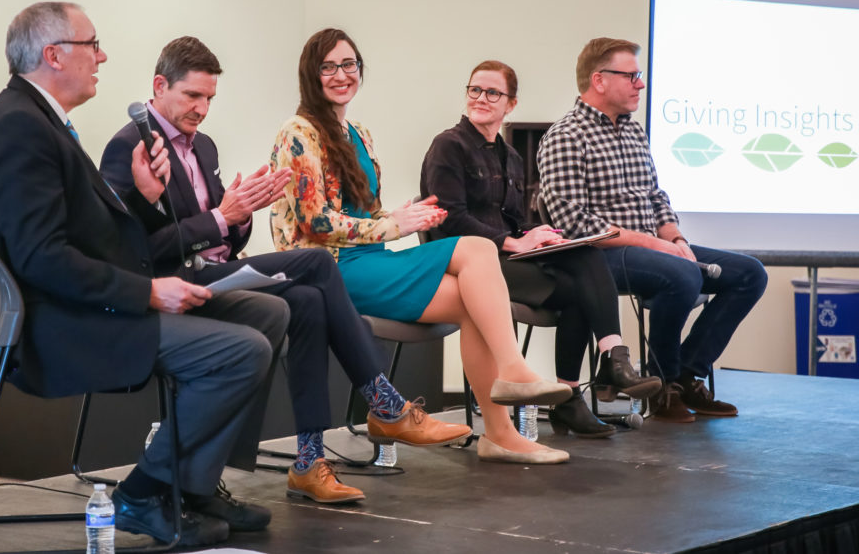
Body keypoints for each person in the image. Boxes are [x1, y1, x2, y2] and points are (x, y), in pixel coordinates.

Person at [0, 2, 283, 547]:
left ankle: (193, 485)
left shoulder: (39, 121)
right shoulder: (17, 128)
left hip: (85, 305)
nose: (102, 56)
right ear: (54, 54)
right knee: (242, 351)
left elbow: (99, 238)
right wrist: (149, 292)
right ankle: (142, 493)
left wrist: (150, 200)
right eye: (93, 45)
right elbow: (42, 258)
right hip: (59, 324)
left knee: (266, 311)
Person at [101, 36, 472, 504]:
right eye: (192, 96)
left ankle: (309, 461)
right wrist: (220, 217)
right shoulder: (128, 147)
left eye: (210, 98)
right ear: (159, 86)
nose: (202, 109)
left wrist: (237, 218)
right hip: (174, 285)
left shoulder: (204, 147)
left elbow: (220, 236)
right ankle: (384, 401)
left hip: (218, 272)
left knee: (309, 301)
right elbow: (134, 253)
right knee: (315, 261)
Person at [270, 28, 573, 465]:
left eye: (349, 65)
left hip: (369, 259)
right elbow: (314, 222)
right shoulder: (297, 132)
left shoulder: (359, 132)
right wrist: (394, 226)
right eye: (329, 66)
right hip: (329, 267)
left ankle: (501, 434)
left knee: (476, 294)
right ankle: (512, 374)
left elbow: (364, 214)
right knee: (477, 253)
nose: (341, 74)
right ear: (310, 74)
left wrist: (402, 216)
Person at [420, 60, 662, 438]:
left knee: (585, 253)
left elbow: (515, 220)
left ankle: (600, 367)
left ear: (510, 104)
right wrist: (511, 240)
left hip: (507, 258)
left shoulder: (511, 156)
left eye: (492, 93)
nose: (481, 99)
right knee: (580, 290)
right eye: (475, 90)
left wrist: (544, 234)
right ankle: (589, 381)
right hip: (468, 266)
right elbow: (449, 218)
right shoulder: (448, 146)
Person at [537, 37, 768, 422]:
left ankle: (685, 374)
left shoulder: (633, 131)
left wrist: (675, 238)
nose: (640, 84)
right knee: (679, 275)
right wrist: (654, 246)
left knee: (749, 274)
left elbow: (656, 197)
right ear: (599, 80)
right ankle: (661, 388)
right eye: (632, 75)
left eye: (638, 76)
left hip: (652, 249)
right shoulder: (566, 136)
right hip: (598, 258)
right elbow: (572, 222)